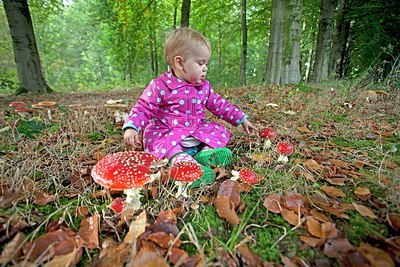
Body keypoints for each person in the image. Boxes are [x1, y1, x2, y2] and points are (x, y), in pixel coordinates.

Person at [123, 27, 257, 187]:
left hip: (196, 131)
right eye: (201, 63)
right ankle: (182, 163)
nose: (205, 68)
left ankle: (205, 153)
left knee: (218, 131)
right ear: (179, 63)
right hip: (168, 131)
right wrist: (132, 127)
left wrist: (241, 119)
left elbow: (220, 105)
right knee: (166, 145)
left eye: (206, 63)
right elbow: (143, 107)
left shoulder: (203, 87)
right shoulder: (160, 85)